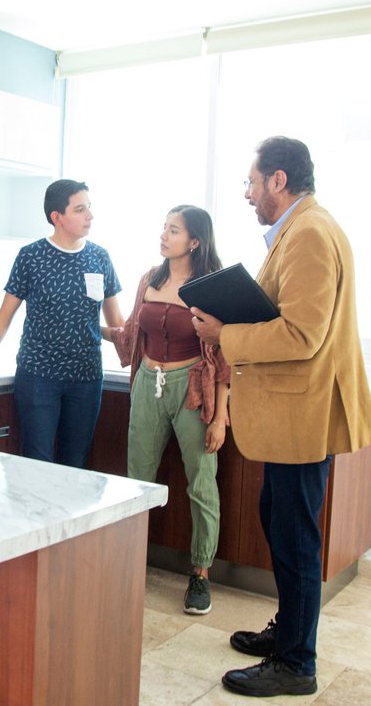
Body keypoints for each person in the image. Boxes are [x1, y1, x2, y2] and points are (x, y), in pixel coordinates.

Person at [192, 137, 371, 698]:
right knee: (281, 522)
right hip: (295, 413)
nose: (248, 195)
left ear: (278, 180)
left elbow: (302, 333)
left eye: (251, 183)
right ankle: (289, 634)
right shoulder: (300, 231)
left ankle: (297, 663)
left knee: (295, 538)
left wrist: (223, 333)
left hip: (306, 413)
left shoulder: (311, 235)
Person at [104, 205, 230, 616]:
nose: (163, 235)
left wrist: (220, 417)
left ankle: (200, 575)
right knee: (136, 478)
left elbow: (225, 356)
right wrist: (89, 324)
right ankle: (128, 563)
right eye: (164, 228)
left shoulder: (211, 286)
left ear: (194, 241)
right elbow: (130, 335)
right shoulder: (149, 279)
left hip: (192, 388)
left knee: (201, 482)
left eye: (172, 230)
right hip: (146, 385)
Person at [0, 179, 123, 467]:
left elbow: (116, 326)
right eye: (80, 209)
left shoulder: (100, 258)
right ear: (57, 217)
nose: (90, 216)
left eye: (89, 208)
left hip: (86, 378)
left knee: (75, 465)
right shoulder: (31, 256)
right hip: (39, 377)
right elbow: (4, 317)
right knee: (37, 464)